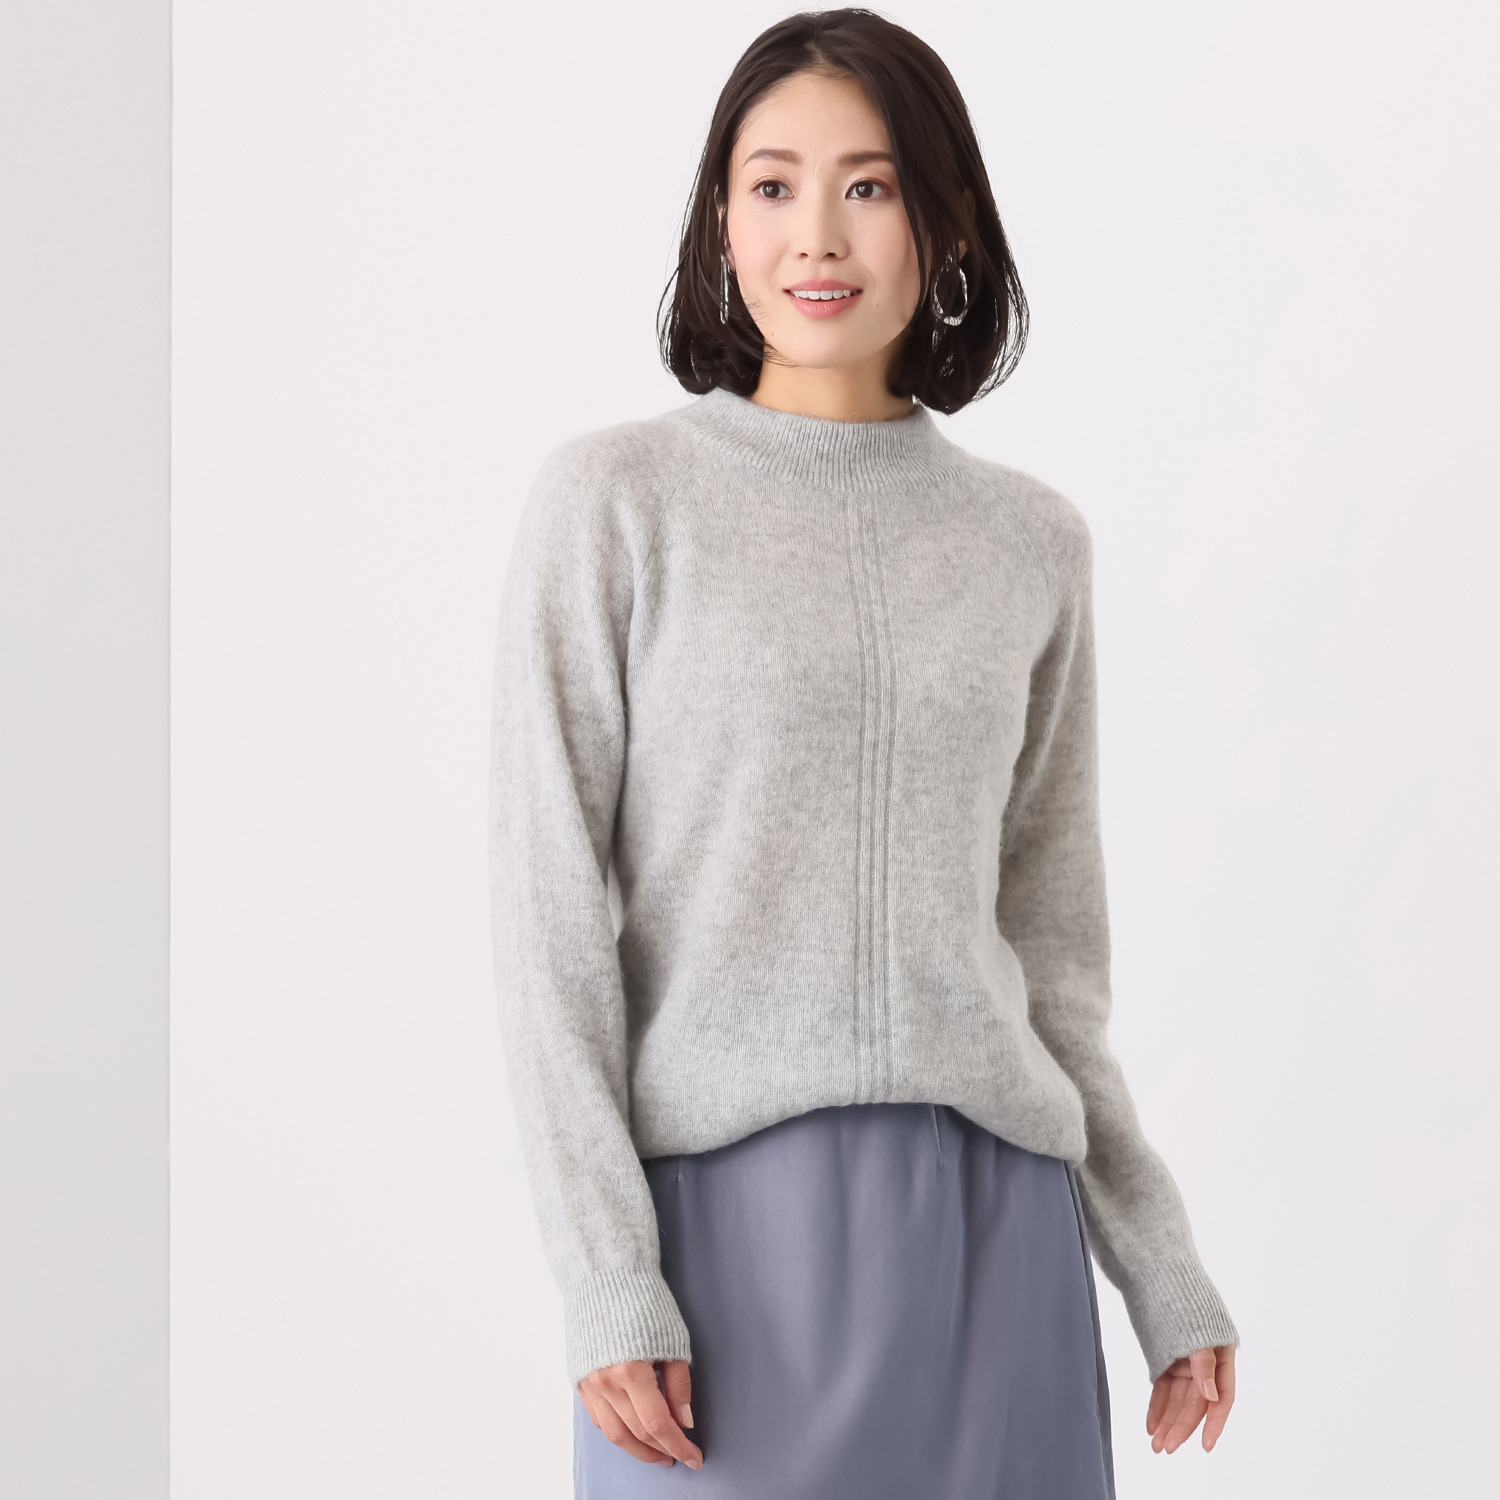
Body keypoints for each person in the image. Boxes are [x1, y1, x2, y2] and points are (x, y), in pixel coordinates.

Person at [488, 10, 1240, 1496]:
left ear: (943, 222)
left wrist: (1160, 1262)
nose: (816, 236)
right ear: (720, 222)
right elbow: (546, 926)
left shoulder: (1031, 544)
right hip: (720, 1259)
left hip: (998, 1247)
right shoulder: (614, 506)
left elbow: (1054, 965)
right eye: (771, 186)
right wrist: (607, 1277)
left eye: (870, 185)